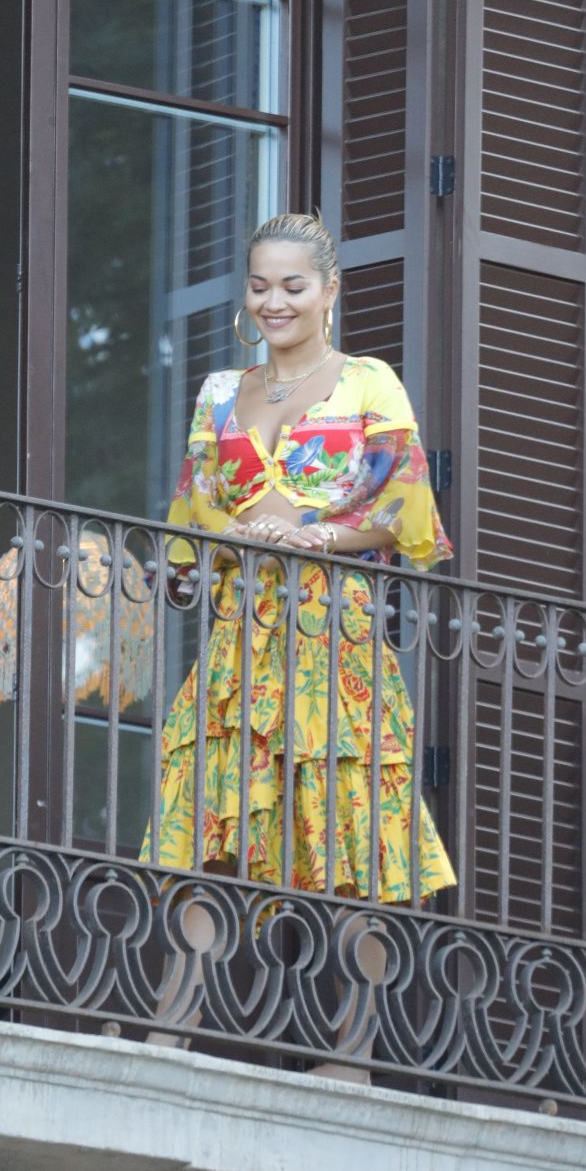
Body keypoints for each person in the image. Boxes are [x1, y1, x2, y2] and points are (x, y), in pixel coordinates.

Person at [142, 213, 456, 1070]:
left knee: (351, 828)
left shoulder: (367, 382)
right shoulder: (218, 392)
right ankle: (170, 1027)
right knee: (212, 823)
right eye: (258, 286)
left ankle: (352, 1050)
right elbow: (192, 510)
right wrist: (210, 552)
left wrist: (319, 534)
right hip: (242, 637)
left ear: (328, 292)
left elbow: (405, 509)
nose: (272, 301)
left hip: (333, 634)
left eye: (291, 285)